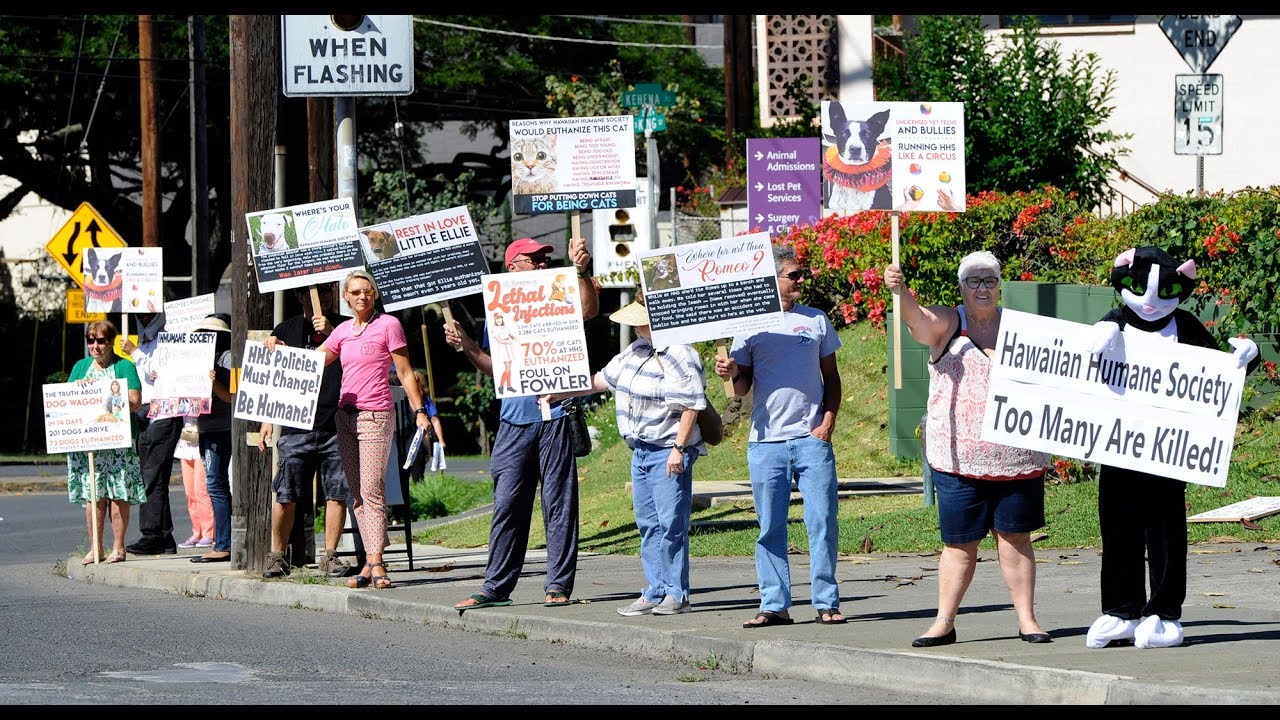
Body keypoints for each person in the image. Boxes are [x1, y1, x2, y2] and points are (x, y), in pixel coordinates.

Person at [883, 251, 1053, 647]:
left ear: (1000, 285)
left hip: (1019, 459)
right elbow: (917, 321)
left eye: (989, 280)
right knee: (959, 545)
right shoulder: (949, 322)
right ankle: (943, 622)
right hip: (958, 459)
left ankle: (1027, 620)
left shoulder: (1021, 327)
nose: (982, 288)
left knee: (1016, 538)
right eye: (974, 281)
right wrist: (900, 290)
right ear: (961, 286)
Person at [444, 235, 599, 610]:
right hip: (514, 421)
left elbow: (588, 310)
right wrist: (466, 345)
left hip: (557, 414)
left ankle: (557, 585)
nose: (544, 264)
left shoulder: (561, 293)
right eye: (535, 259)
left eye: (545, 259)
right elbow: (491, 367)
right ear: (513, 266)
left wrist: (581, 271)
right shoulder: (499, 306)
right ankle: (496, 586)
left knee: (559, 504)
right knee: (508, 503)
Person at [546, 290, 705, 616]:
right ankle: (655, 589)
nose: (635, 327)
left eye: (640, 321)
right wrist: (560, 391)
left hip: (666, 450)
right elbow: (602, 380)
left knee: (670, 525)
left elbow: (692, 404)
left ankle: (678, 593)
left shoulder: (680, 353)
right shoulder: (636, 350)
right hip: (641, 451)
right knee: (648, 524)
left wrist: (678, 448)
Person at [714, 244, 846, 628]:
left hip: (811, 440)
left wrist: (828, 421)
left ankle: (826, 600)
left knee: (821, 521)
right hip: (766, 442)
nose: (801, 280)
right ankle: (774, 604)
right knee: (769, 526)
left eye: (801, 273)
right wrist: (731, 373)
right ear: (773, 280)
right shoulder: (748, 326)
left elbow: (832, 378)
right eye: (794, 274)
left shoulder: (816, 320)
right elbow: (741, 389)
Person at [321, 270, 433, 590]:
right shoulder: (342, 331)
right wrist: (277, 348)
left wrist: (420, 411)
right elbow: (314, 361)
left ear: (374, 294)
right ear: (346, 296)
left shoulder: (388, 325)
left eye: (367, 292)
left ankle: (377, 560)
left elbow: (405, 371)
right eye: (355, 292)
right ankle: (371, 561)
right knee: (357, 492)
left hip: (375, 416)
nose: (362, 297)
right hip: (345, 417)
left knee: (372, 487)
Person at [258, 283, 353, 579]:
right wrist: (266, 420)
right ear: (299, 297)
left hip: (335, 424)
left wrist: (330, 334)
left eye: (327, 292)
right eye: (314, 292)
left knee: (336, 494)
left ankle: (330, 556)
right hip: (296, 427)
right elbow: (274, 376)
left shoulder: (346, 327)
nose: (322, 297)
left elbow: (357, 360)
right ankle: (276, 557)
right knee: (286, 494)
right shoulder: (286, 329)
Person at [68, 320, 145, 564]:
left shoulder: (124, 366)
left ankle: (119, 548)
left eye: (101, 340)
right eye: (91, 340)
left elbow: (135, 400)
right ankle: (95, 548)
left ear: (111, 342)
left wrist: (102, 390)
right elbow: (68, 400)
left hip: (118, 442)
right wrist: (81, 392)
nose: (95, 345)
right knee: (93, 496)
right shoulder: (80, 367)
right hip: (90, 444)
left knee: (119, 494)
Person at [123, 311, 183, 556]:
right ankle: (163, 537)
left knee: (151, 477)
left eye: (149, 316)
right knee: (155, 478)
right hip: (147, 413)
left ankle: (152, 535)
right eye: (141, 316)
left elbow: (157, 372)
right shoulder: (145, 340)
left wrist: (134, 353)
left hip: (163, 412)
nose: (145, 320)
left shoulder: (166, 338)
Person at [190, 314, 235, 564]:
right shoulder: (197, 360)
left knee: (216, 485)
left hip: (221, 428)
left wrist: (214, 379)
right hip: (206, 426)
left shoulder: (226, 358)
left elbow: (230, 396)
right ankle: (223, 541)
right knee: (214, 484)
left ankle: (224, 543)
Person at [174, 417, 214, 549]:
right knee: (190, 492)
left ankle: (209, 533)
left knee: (201, 490)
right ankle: (197, 532)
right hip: (187, 440)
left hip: (203, 439)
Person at [489, 313, 518, 395]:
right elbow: (499, 340)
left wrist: (518, 338)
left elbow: (512, 335)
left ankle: (508, 386)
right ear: (495, 320)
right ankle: (501, 386)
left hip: (509, 349)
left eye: (500, 318)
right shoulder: (494, 329)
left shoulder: (504, 327)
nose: (499, 320)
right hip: (503, 349)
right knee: (508, 369)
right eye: (497, 319)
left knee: (508, 369)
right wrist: (509, 341)